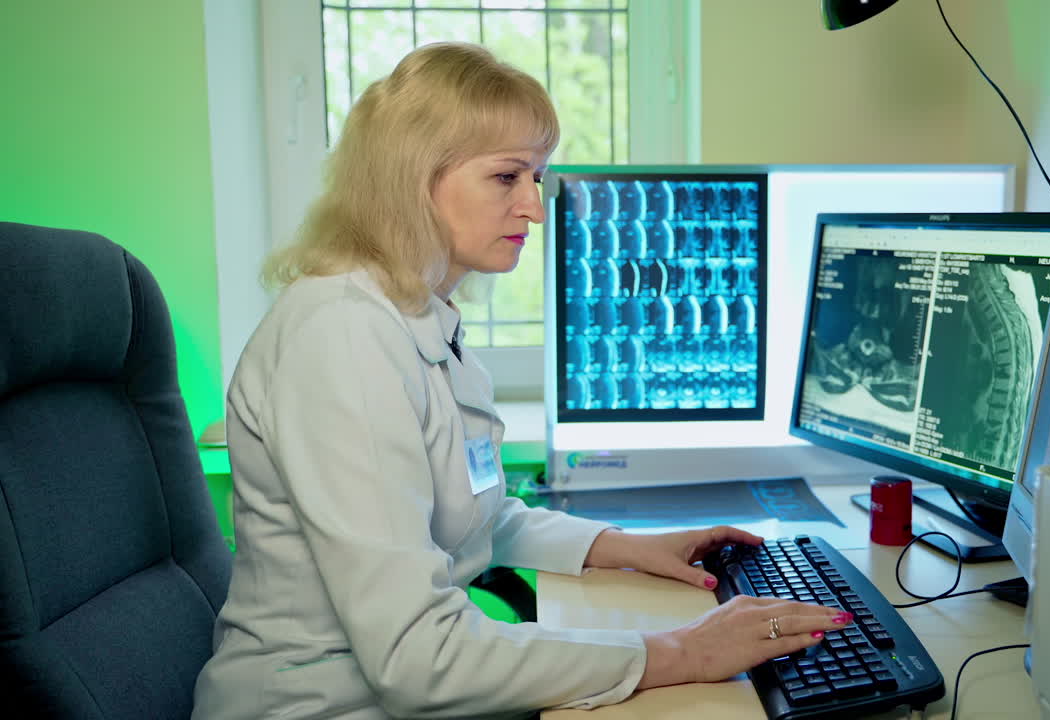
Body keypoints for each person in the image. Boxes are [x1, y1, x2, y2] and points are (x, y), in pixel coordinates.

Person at [191, 42, 851, 720]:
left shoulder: (416, 319)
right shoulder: (340, 339)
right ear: (414, 177)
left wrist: (625, 549)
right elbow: (418, 659)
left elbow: (467, 514)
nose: (536, 210)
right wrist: (681, 651)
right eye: (508, 178)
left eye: (536, 177)